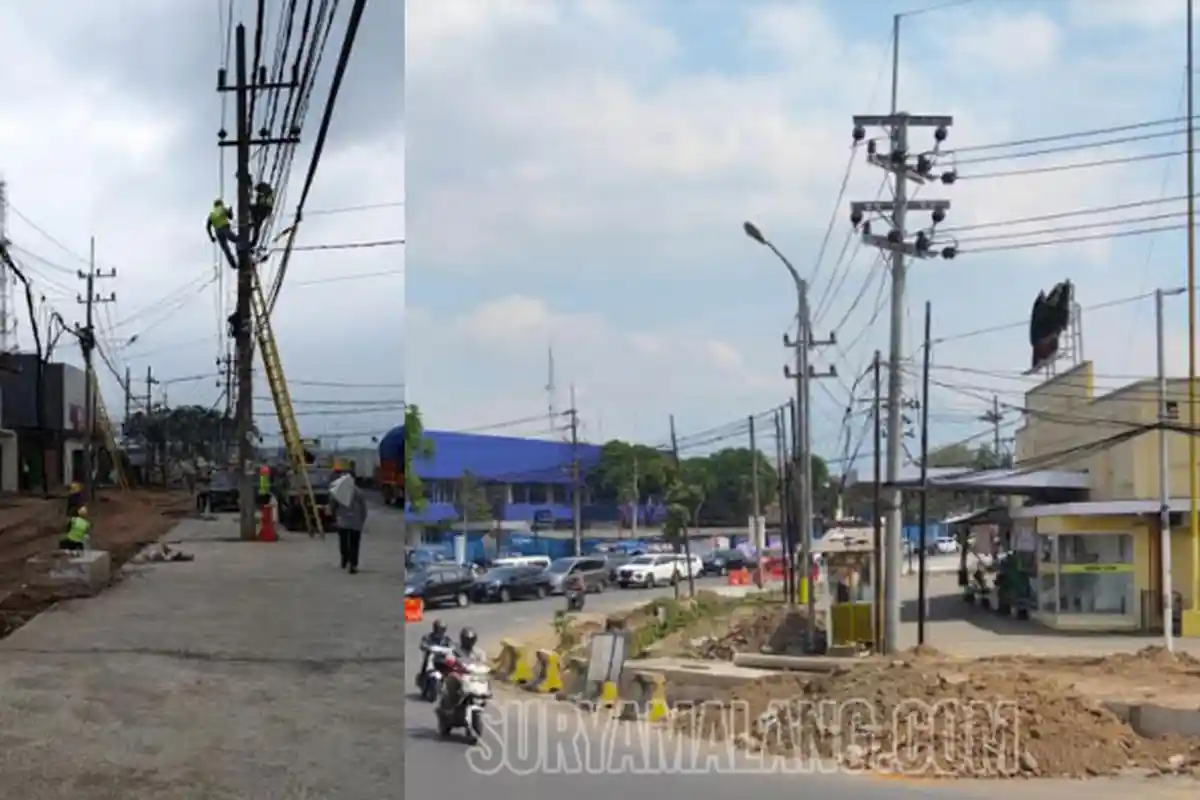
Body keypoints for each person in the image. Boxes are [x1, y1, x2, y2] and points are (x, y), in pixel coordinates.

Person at [328, 468, 368, 573]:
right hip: (356, 522)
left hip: (343, 521)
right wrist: (362, 520)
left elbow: (333, 505)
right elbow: (364, 508)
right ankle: (353, 563)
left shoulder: (339, 491)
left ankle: (344, 559)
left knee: (343, 542)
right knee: (354, 543)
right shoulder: (359, 492)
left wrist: (333, 515)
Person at [442, 627, 485, 710]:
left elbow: (483, 663)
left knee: (484, 678)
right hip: (459, 675)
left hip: (473, 676)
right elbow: (449, 658)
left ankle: (482, 697)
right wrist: (454, 663)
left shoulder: (479, 652)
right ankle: (451, 701)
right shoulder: (455, 650)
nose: (468, 642)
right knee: (452, 678)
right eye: (467, 640)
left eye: (470, 640)